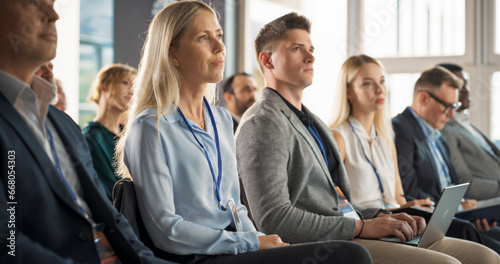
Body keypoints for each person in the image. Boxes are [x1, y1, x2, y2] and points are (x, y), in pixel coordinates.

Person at [115, 2, 372, 264]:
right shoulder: (150, 128)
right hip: (197, 257)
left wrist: (264, 240)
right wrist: (250, 242)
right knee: (351, 256)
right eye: (203, 37)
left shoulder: (221, 120)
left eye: (219, 35)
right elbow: (166, 231)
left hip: (236, 248)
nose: (219, 47)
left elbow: (235, 209)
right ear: (173, 55)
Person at [235, 12, 500, 263]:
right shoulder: (263, 122)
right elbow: (274, 219)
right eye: (297, 49)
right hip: (322, 245)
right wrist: (362, 226)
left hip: (351, 226)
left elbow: (338, 203)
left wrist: (389, 216)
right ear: (267, 61)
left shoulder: (311, 121)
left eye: (311, 49)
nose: (310, 58)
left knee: (486, 257)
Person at [0, 1, 175, 263]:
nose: (53, 15)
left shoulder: (63, 124)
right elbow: (8, 243)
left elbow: (110, 215)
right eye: (30, 3)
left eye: (52, 3)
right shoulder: (91, 133)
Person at [392, 65, 500, 254]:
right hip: (430, 224)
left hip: (454, 217)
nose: (452, 115)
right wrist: (455, 209)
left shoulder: (439, 136)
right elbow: (409, 194)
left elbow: (451, 183)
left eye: (455, 107)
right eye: (448, 107)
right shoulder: (400, 130)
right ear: (424, 98)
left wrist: (464, 205)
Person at [329, 54, 434, 210]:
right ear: (349, 92)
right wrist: (397, 211)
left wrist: (411, 208)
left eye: (382, 81)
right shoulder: (338, 137)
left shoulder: (385, 137)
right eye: (367, 84)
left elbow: (398, 199)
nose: (380, 89)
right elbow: (336, 203)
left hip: (394, 223)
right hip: (365, 227)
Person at [438, 63, 500, 200]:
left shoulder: (465, 122)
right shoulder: (445, 129)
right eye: (460, 86)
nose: (467, 91)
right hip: (487, 202)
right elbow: (464, 182)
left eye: (467, 84)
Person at [83, 63, 136, 201]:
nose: (132, 91)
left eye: (134, 86)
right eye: (125, 82)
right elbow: (108, 191)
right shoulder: (91, 136)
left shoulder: (130, 134)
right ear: (104, 85)